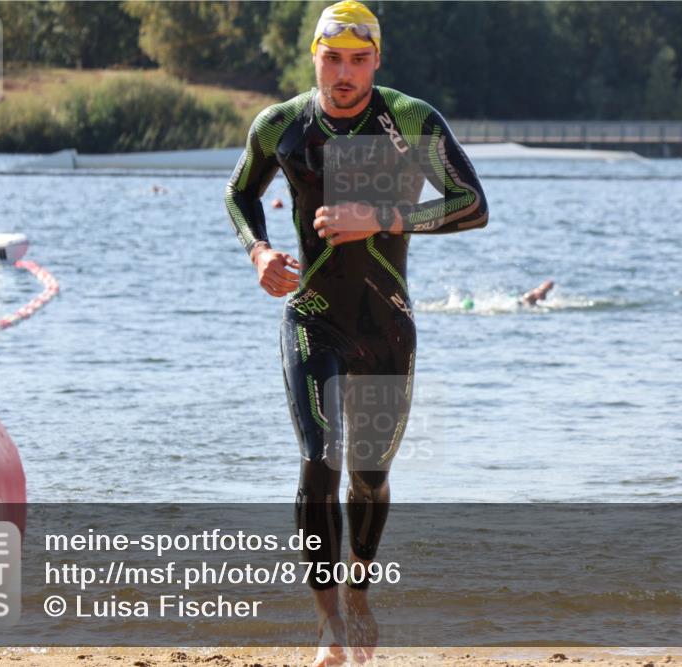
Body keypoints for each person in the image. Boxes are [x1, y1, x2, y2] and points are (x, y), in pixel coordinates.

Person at [224, 2, 488, 664]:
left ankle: (359, 587)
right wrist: (258, 252)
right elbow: (239, 194)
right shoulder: (281, 126)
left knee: (368, 476)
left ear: (377, 60)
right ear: (313, 54)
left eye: (359, 60)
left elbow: (473, 205)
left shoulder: (409, 119)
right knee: (320, 460)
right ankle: (330, 624)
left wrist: (384, 217)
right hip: (312, 317)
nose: (344, 74)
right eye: (332, 58)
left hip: (386, 324)